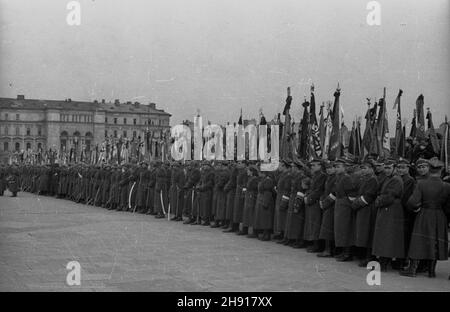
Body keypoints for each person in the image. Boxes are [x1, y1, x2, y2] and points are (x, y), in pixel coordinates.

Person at [400, 158, 450, 278]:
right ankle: (431, 272)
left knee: (418, 242)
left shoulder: (421, 184)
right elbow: (448, 205)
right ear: (440, 170)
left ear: (430, 169)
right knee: (435, 242)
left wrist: (416, 208)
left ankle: (412, 270)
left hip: (424, 214)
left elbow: (412, 202)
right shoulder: (447, 186)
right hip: (439, 215)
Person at [372, 159, 405, 271]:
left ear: (394, 168)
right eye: (385, 168)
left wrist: (378, 201)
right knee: (385, 236)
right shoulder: (390, 178)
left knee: (386, 236)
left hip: (391, 209)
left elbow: (390, 195)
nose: (386, 170)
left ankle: (383, 264)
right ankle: (383, 262)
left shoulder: (396, 180)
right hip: (389, 209)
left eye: (389, 168)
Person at [352, 159, 378, 267]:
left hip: (368, 209)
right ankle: (363, 255)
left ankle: (369, 257)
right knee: (362, 233)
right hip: (362, 208)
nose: (363, 170)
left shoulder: (373, 180)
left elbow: (369, 195)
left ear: (371, 169)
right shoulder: (365, 179)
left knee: (367, 233)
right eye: (362, 168)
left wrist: (356, 204)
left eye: (365, 168)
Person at [304, 158, 327, 253]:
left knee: (315, 223)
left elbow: (319, 190)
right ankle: (314, 243)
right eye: (312, 165)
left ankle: (317, 245)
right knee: (312, 223)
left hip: (316, 201)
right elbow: (311, 188)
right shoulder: (315, 176)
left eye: (314, 165)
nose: (312, 167)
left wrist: (309, 198)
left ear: (320, 166)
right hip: (312, 201)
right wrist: (307, 196)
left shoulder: (322, 176)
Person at [317, 161, 337, 257]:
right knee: (326, 227)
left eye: (331, 167)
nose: (329, 169)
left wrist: (324, 203)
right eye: (327, 168)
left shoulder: (336, 178)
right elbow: (324, 191)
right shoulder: (329, 178)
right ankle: (327, 249)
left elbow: (334, 193)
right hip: (326, 205)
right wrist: (321, 200)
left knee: (328, 228)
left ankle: (328, 250)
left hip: (332, 205)